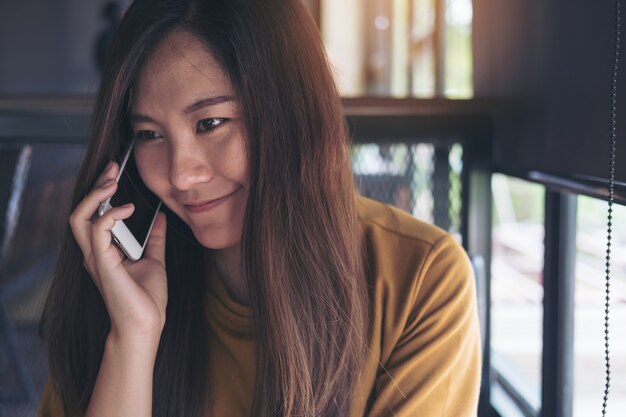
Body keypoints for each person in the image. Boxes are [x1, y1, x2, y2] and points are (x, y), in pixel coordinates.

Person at [39, 0, 481, 416]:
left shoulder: (420, 279)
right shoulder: (115, 282)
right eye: (150, 135)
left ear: (292, 115)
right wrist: (132, 336)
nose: (179, 175)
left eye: (210, 124)